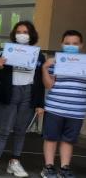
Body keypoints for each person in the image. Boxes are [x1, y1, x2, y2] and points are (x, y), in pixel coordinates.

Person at [0, 21, 46, 178]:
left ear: (31, 35)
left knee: (20, 130)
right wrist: (0, 66)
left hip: (29, 92)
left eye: (25, 32)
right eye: (19, 31)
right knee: (4, 129)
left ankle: (14, 161)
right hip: (11, 92)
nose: (22, 34)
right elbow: (0, 78)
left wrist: (39, 103)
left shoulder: (39, 55)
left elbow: (40, 81)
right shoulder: (7, 52)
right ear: (14, 34)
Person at [40, 30, 84, 178]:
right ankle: (48, 167)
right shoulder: (55, 61)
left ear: (81, 45)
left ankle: (64, 168)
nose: (71, 46)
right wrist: (45, 68)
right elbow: (48, 85)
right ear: (62, 44)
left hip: (76, 110)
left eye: (75, 43)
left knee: (68, 141)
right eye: (67, 43)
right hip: (54, 108)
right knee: (51, 138)